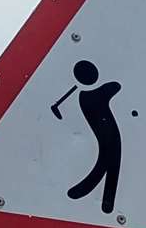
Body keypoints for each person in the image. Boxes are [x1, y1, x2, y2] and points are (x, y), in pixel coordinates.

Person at [50, 60, 122, 213]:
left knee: (107, 165)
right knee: (107, 164)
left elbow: (115, 86)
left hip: (109, 136)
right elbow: (115, 86)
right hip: (108, 137)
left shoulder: (84, 96)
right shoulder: (90, 95)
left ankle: (103, 201)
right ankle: (102, 201)